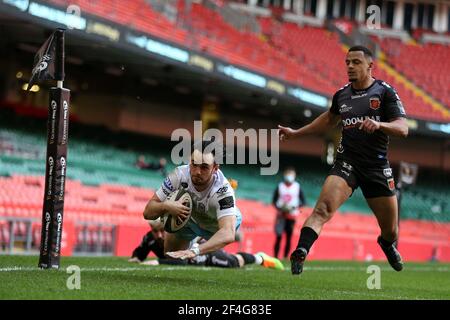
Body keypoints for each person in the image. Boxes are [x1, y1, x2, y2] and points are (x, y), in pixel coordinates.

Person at [278, 45, 408, 275]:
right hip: (347, 162)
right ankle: (301, 251)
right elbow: (328, 120)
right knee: (322, 210)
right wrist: (296, 133)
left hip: (377, 167)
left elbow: (403, 128)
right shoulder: (342, 95)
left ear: (370, 66)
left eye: (356, 62)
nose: (350, 66)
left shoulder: (385, 92)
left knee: (391, 231)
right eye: (347, 62)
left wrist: (380, 124)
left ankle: (386, 244)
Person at [143, 139, 242, 261]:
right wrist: (167, 206)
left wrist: (195, 251)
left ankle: (200, 246)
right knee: (171, 257)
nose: (197, 172)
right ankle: (195, 242)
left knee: (219, 246)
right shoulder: (178, 175)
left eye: (204, 167)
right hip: (192, 221)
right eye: (194, 164)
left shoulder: (223, 191)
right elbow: (147, 212)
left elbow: (227, 233)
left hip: (215, 227)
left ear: (215, 168)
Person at [129, 219, 284, 270]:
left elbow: (181, 259)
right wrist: (136, 257)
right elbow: (142, 249)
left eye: (162, 231)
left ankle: (260, 258)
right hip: (195, 258)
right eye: (155, 231)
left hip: (205, 255)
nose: (159, 235)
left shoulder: (177, 236)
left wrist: (158, 261)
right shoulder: (150, 238)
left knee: (234, 263)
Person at [272, 167, 306, 259]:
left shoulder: (297, 187)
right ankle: (275, 256)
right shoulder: (280, 186)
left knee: (288, 237)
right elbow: (274, 201)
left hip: (291, 216)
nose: (289, 176)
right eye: (288, 174)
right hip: (281, 216)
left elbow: (303, 201)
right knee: (278, 236)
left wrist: (294, 207)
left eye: (291, 174)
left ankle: (285, 257)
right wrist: (280, 208)